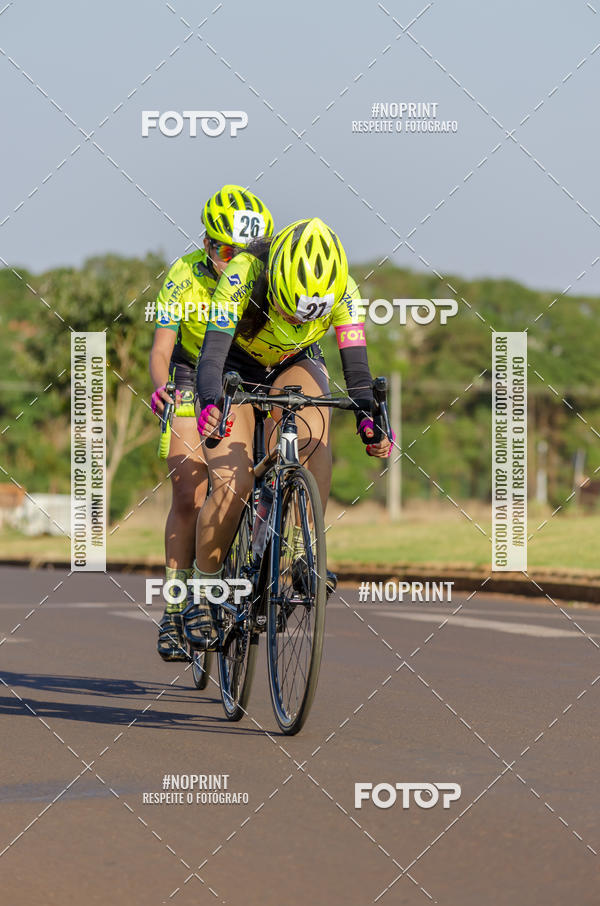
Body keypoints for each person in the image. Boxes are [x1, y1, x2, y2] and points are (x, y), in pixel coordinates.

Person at [184, 217, 393, 649]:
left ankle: (300, 550)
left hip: (293, 362)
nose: (295, 319)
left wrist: (369, 421)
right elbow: (210, 357)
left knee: (316, 431)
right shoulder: (243, 274)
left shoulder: (345, 291)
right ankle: (203, 594)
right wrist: (209, 405)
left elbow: (357, 372)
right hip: (235, 364)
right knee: (233, 482)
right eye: (287, 308)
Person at [149, 185, 274, 660]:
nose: (233, 259)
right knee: (189, 490)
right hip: (189, 373)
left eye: (244, 251)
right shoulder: (184, 273)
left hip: (243, 374)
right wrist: (162, 385)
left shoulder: (263, 275)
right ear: (206, 244)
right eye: (224, 249)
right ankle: (177, 606)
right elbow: (161, 348)